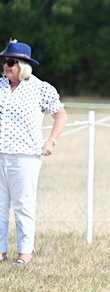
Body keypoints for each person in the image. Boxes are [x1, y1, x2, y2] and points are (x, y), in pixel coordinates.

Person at [0, 40, 67, 265]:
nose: (6, 66)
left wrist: (52, 140)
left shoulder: (40, 88)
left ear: (23, 65)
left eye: (11, 62)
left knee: (23, 205)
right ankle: (0, 251)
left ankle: (25, 252)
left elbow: (61, 115)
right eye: (4, 62)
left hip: (25, 155)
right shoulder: (0, 85)